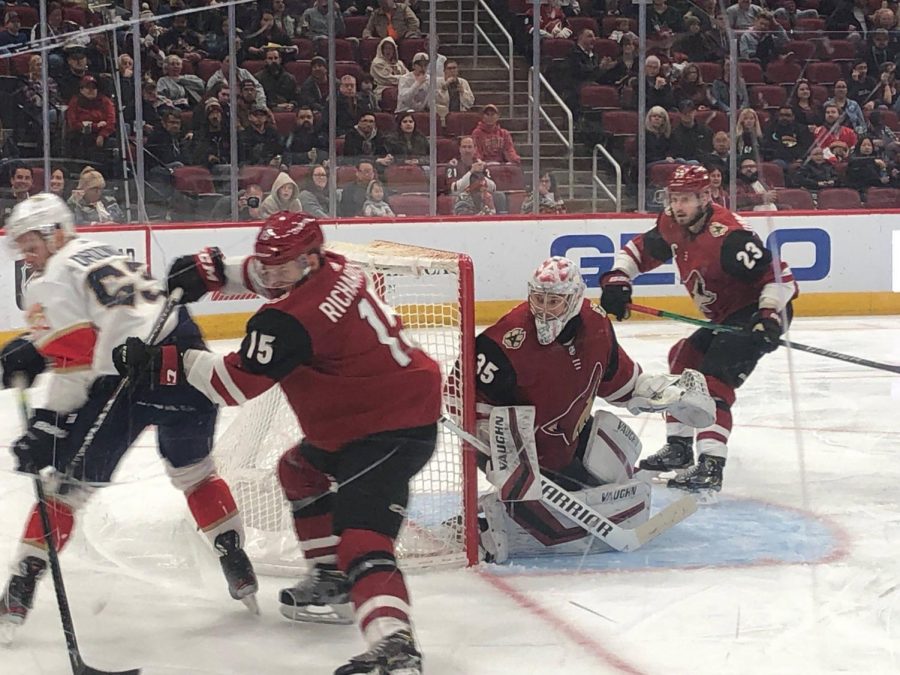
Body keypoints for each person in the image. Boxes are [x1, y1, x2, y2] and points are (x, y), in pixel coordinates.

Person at [117, 211, 441, 674]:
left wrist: (166, 361)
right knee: (298, 470)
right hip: (370, 411)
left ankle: (396, 646)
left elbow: (232, 386)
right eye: (266, 264)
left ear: (308, 262)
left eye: (281, 266)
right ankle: (331, 579)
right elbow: (268, 269)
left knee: (361, 537)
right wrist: (212, 272)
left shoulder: (291, 320)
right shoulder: (333, 265)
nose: (269, 274)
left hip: (388, 427)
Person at [0, 193, 258, 628]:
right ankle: (235, 559)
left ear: (56, 233)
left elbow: (77, 365)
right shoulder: (101, 252)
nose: (26, 257)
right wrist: (35, 347)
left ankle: (20, 588)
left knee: (68, 487)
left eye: (31, 245)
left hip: (125, 376)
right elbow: (108, 319)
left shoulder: (49, 281)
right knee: (195, 470)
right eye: (22, 247)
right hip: (185, 352)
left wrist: (49, 426)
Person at [472, 256, 714, 562]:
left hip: (566, 443)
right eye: (539, 299)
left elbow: (622, 383)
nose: (544, 310)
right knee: (556, 523)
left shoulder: (596, 325)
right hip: (521, 450)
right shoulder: (505, 341)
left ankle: (524, 515)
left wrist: (667, 393)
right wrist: (497, 452)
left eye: (554, 301)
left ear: (573, 300)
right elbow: (461, 397)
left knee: (616, 445)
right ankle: (491, 520)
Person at [599, 165, 798, 493]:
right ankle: (679, 449)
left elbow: (779, 278)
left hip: (754, 316)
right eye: (674, 198)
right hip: (725, 317)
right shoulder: (672, 223)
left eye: (686, 199)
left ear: (706, 197)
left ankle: (711, 465)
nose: (678, 206)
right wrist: (618, 278)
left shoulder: (729, 236)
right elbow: (639, 250)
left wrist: (769, 318)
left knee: (712, 382)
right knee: (682, 360)